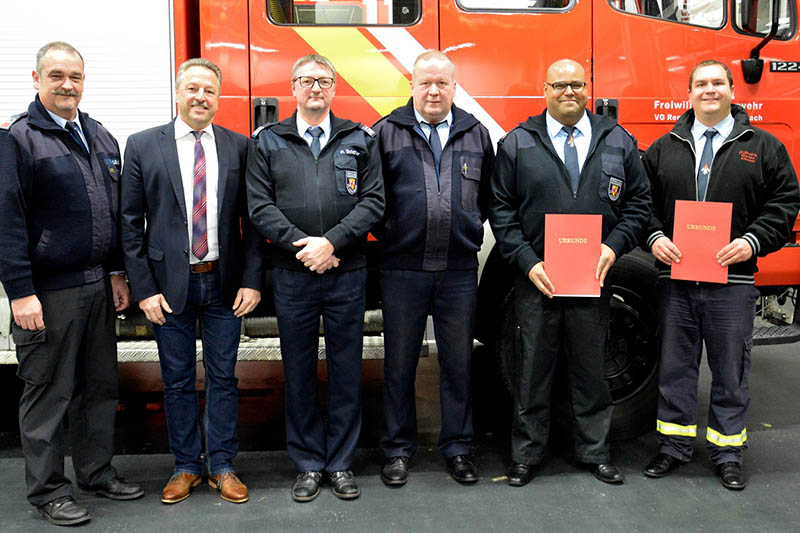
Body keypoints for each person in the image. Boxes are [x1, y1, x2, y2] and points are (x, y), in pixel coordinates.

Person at [0, 41, 143, 527]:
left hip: (98, 286)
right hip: (48, 292)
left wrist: (119, 272)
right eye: (57, 75)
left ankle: (96, 472)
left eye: (75, 77)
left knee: (98, 388)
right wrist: (20, 292)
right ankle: (47, 490)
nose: (67, 85)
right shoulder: (19, 139)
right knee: (48, 393)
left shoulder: (100, 136)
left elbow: (118, 211)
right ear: (36, 79)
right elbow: (7, 222)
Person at [489, 58, 651, 487]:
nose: (569, 92)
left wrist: (613, 248)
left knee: (590, 371)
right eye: (560, 85)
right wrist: (527, 262)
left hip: (593, 278)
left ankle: (595, 453)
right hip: (538, 280)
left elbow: (639, 204)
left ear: (587, 89)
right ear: (544, 90)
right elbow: (500, 210)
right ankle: (526, 455)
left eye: (577, 85)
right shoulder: (518, 143)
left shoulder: (617, 140)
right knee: (531, 372)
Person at [641, 60, 800, 490]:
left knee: (731, 370)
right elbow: (643, 205)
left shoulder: (763, 146)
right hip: (675, 280)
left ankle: (727, 452)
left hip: (734, 282)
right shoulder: (664, 146)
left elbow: (785, 203)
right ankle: (672, 448)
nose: (709, 90)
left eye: (717, 83)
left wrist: (752, 242)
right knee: (675, 367)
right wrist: (654, 236)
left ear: (733, 90)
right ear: (688, 93)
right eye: (700, 84)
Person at [121, 58, 264, 504]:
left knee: (224, 378)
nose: (201, 97)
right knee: (176, 380)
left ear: (219, 99)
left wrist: (252, 279)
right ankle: (185, 466)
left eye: (210, 90)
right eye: (193, 89)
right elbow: (129, 222)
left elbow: (252, 221)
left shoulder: (240, 146)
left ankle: (221, 465)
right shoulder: (143, 145)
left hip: (224, 282)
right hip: (168, 287)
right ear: (178, 93)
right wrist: (143, 288)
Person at [246, 54, 384, 502]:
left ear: (334, 88)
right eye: (306, 81)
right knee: (299, 371)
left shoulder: (359, 138)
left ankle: (341, 463)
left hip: (347, 271)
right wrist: (304, 247)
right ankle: (307, 464)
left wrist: (333, 243)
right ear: (292, 87)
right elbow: (259, 206)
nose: (315, 89)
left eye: (324, 81)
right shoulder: (268, 142)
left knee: (347, 371)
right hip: (293, 274)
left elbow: (374, 201)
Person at [372, 50, 494, 486]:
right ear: (411, 85)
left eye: (442, 82)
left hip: (458, 271)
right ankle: (397, 450)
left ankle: (458, 448)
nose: (434, 90)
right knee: (399, 365)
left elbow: (490, 201)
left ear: (455, 87)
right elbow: (372, 200)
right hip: (401, 270)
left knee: (458, 364)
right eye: (425, 82)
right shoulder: (386, 133)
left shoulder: (476, 134)